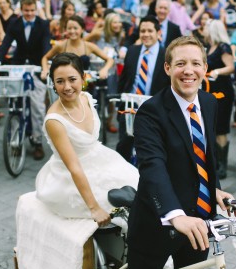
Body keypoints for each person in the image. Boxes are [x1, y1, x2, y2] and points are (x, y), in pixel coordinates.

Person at [98, 35, 233, 269]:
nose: (188, 70)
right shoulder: (151, 111)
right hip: (158, 218)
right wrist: (175, 215)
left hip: (199, 217)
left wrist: (217, 192)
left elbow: (205, 160)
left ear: (205, 69)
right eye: (181, 64)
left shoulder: (207, 101)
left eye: (195, 63)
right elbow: (153, 167)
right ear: (168, 68)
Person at [35, 52, 138, 221]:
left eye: (72, 79)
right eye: (60, 81)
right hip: (70, 176)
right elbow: (74, 167)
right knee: (109, 202)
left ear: (83, 78)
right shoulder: (54, 120)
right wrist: (94, 208)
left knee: (137, 184)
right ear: (53, 84)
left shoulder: (86, 98)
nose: (67, 87)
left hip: (101, 159)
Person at [0, 0, 51, 160]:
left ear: (36, 9)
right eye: (26, 10)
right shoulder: (15, 23)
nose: (29, 13)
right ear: (21, 9)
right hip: (17, 66)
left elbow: (46, 45)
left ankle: (38, 141)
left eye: (32, 10)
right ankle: (15, 141)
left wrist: (45, 66)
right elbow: (6, 43)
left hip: (37, 67)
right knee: (15, 104)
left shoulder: (43, 24)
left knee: (38, 105)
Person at [116, 16, 170, 161]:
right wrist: (119, 104)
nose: (145, 34)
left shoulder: (167, 55)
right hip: (130, 106)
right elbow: (124, 79)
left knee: (149, 147)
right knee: (124, 146)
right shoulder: (133, 51)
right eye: (142, 31)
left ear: (158, 33)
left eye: (149, 31)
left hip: (153, 107)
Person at [41, 15, 113, 81]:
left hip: (84, 86)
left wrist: (104, 70)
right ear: (66, 30)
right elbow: (45, 57)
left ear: (82, 30)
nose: (72, 31)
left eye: (75, 28)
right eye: (69, 28)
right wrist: (45, 69)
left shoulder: (89, 46)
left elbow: (109, 60)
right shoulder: (61, 45)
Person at [206, 20, 235, 179]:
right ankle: (215, 161)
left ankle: (222, 166)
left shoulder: (224, 46)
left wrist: (216, 71)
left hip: (223, 93)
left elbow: (231, 67)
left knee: (221, 128)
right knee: (213, 127)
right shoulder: (210, 47)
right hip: (211, 92)